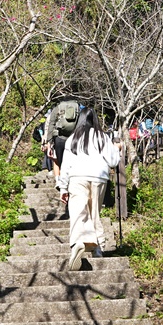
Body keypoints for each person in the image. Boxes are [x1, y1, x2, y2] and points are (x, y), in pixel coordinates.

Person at [56, 107, 121, 271]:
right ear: (95, 121)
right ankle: (98, 249)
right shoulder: (103, 137)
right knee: (94, 214)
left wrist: (63, 187)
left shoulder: (73, 138)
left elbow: (66, 165)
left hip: (77, 177)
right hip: (99, 177)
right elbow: (113, 161)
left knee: (79, 213)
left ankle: (79, 243)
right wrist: (117, 148)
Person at [43, 98, 82, 180]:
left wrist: (49, 142)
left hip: (60, 138)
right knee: (74, 161)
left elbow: (51, 124)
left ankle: (63, 181)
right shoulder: (77, 107)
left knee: (61, 162)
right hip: (74, 138)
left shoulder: (58, 108)